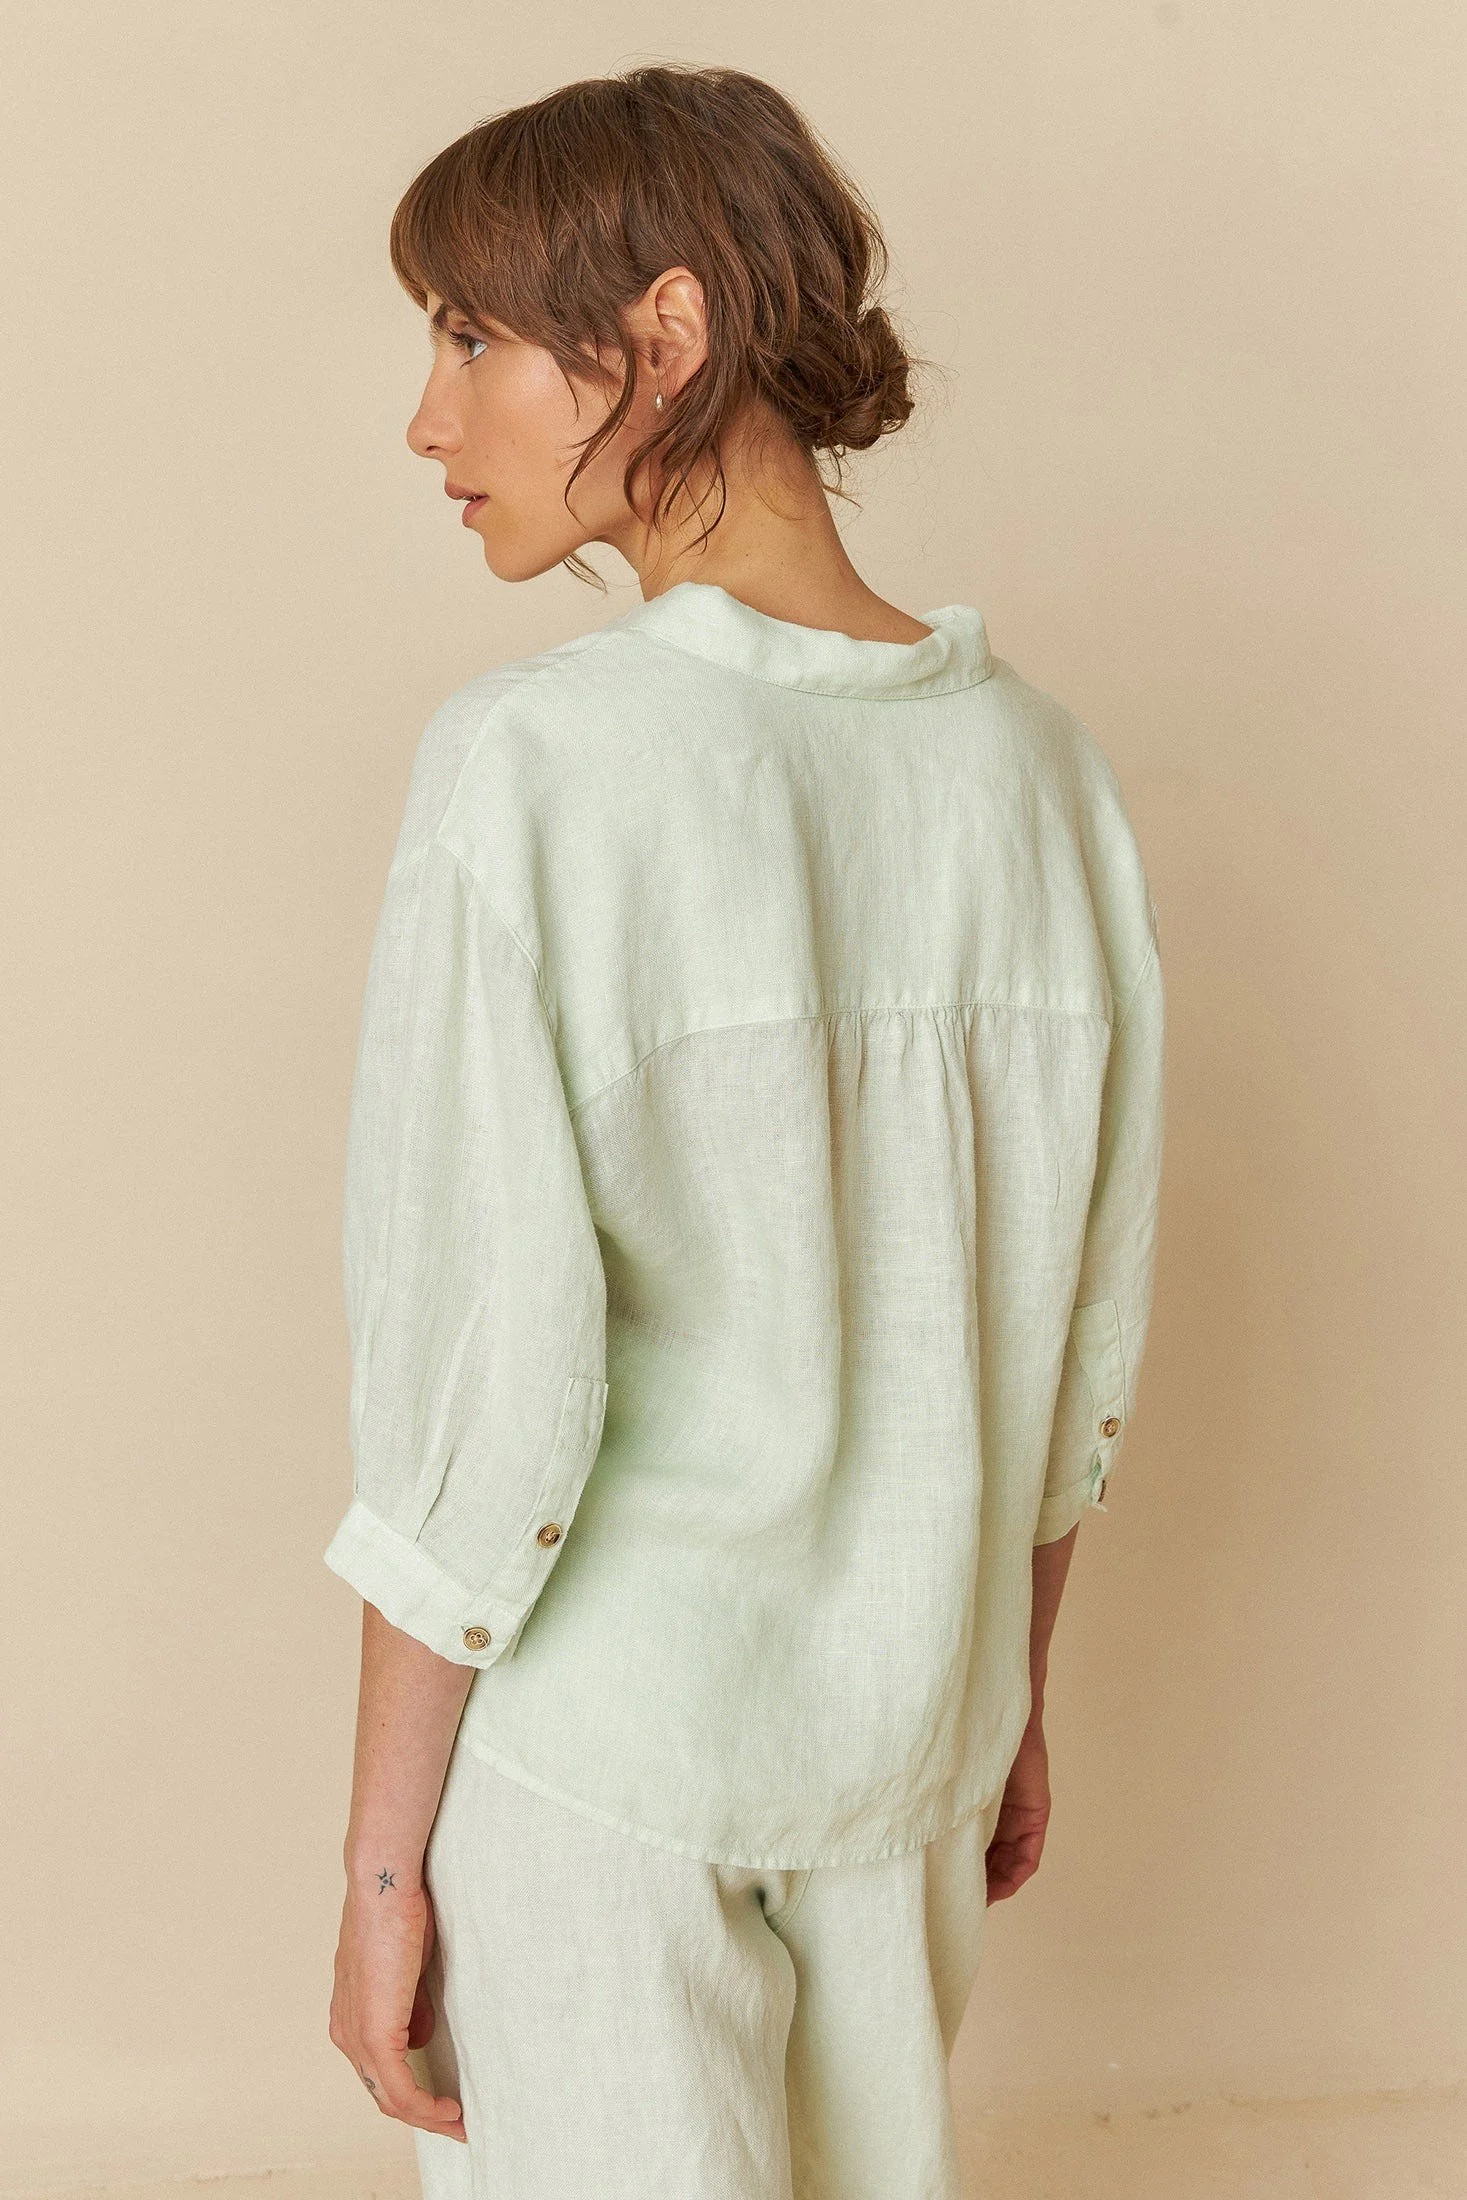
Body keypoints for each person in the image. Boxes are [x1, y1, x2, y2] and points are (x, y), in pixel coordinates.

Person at [323, 61, 1165, 2200]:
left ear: (667, 334)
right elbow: (1074, 1348)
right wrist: (1006, 1693)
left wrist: (382, 1864)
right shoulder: (1043, 777)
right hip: (911, 1733)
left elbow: (482, 1384)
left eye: (470, 336)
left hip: (607, 1759)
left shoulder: (539, 765)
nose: (428, 419)